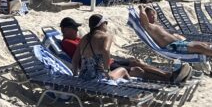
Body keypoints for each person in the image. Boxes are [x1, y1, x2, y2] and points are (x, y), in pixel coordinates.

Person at [59, 15, 191, 84]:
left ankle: (168, 75)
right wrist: (106, 71)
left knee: (135, 62)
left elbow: (76, 59)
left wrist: (76, 75)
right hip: (102, 69)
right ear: (65, 30)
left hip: (102, 66)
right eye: (74, 28)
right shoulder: (69, 42)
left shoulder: (82, 39)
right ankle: (168, 79)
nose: (77, 30)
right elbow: (101, 51)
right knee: (137, 70)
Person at [137, 5, 212, 63]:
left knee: (204, 45)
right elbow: (143, 18)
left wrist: (152, 11)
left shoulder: (156, 24)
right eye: (151, 15)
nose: (154, 17)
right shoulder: (149, 27)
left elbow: (153, 17)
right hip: (172, 47)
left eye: (154, 15)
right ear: (146, 16)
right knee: (200, 48)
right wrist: (142, 8)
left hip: (179, 42)